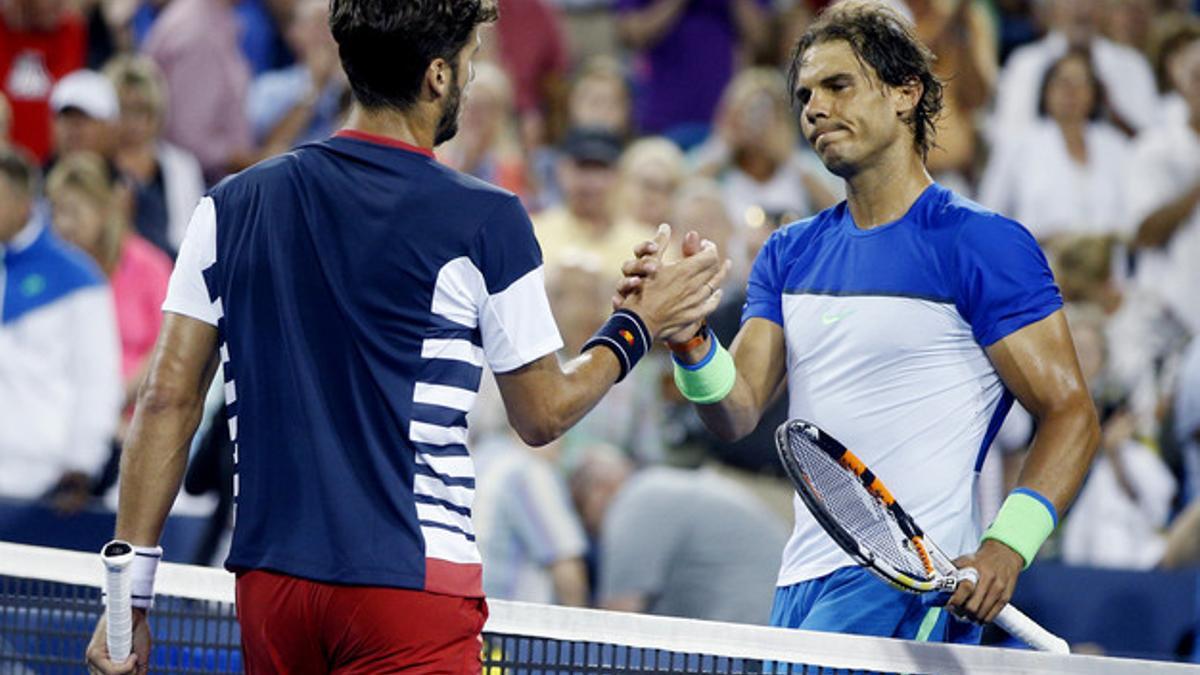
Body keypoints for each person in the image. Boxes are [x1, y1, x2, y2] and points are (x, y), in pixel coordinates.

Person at [84, 0, 727, 672]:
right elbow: (543, 413)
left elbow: (165, 400)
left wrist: (128, 596)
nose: (472, 79)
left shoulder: (228, 205)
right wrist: (636, 326)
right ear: (438, 77)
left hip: (272, 587)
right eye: (471, 61)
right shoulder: (489, 218)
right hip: (408, 587)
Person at [620, 0, 1098, 644]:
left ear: (906, 94)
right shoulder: (789, 253)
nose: (815, 108)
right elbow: (735, 412)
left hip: (914, 587)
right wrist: (690, 337)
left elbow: (1072, 412)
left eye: (838, 85)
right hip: (798, 584)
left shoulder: (982, 244)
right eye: (805, 94)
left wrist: (1006, 548)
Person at [0, 146, 120, 512]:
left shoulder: (77, 277)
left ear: (23, 203)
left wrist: (81, 464)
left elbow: (97, 378)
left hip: (43, 480)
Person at [978, 49, 1132, 243]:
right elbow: (987, 218)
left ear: (1094, 93)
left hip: (1107, 267)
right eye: (1062, 82)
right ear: (1046, 91)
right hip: (1040, 264)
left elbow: (1133, 219)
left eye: (1080, 82)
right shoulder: (1018, 146)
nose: (1070, 91)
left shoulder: (1116, 146)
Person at [104, 55, 206, 258]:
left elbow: (193, 237)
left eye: (141, 110)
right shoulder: (98, 163)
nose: (133, 122)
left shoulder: (182, 166)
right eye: (124, 110)